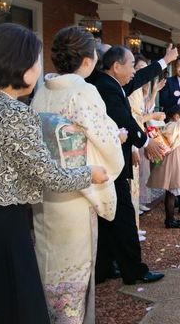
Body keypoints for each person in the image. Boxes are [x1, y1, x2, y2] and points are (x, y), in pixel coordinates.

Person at [0, 23, 108, 324]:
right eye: (36, 61)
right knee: (11, 301)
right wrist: (89, 173)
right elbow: (48, 175)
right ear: (21, 67)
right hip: (2, 226)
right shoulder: (16, 114)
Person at [30, 26, 125, 324]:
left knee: (48, 263)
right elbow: (104, 141)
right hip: (76, 192)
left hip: (46, 194)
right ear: (87, 60)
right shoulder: (83, 91)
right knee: (75, 269)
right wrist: (117, 137)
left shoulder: (42, 90)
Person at [88, 44, 178, 285]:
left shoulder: (111, 83)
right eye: (130, 65)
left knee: (110, 218)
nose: (133, 71)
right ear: (116, 67)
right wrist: (146, 142)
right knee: (125, 218)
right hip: (111, 166)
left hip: (109, 165)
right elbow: (124, 120)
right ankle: (134, 271)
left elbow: (138, 79)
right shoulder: (106, 87)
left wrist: (165, 61)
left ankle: (104, 267)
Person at [129, 53, 166, 241]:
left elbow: (144, 111)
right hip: (133, 140)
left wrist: (154, 91)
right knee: (132, 183)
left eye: (145, 69)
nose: (142, 72)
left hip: (139, 137)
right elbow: (134, 118)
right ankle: (131, 227)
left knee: (139, 178)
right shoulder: (130, 89)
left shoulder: (139, 89)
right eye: (139, 68)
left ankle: (135, 223)